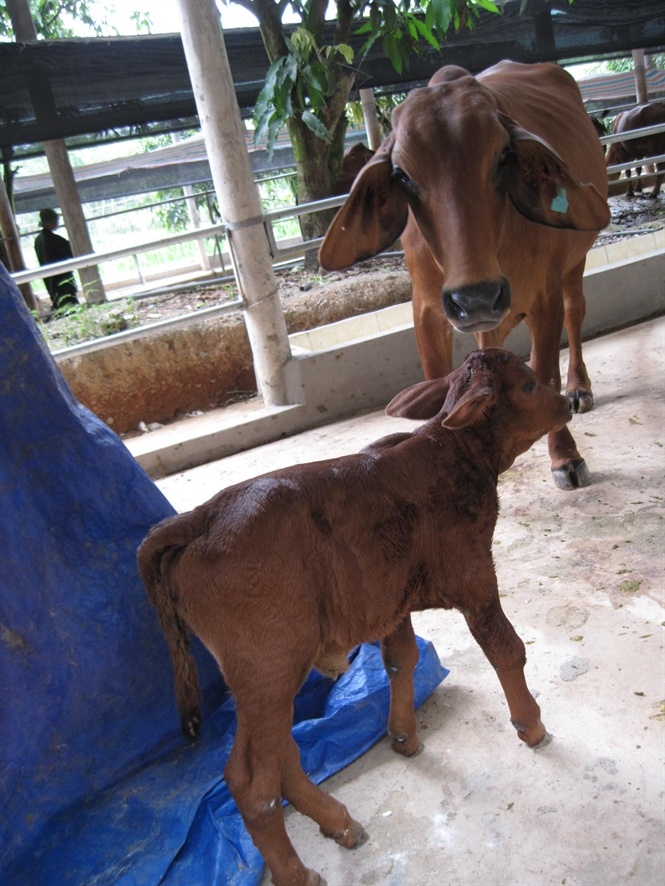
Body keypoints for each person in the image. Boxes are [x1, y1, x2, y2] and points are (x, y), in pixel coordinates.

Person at [34, 208, 80, 312]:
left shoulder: (38, 240)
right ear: (51, 222)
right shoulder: (55, 240)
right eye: (56, 221)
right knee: (69, 305)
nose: (57, 223)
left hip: (50, 282)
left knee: (59, 305)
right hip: (62, 281)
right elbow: (72, 252)